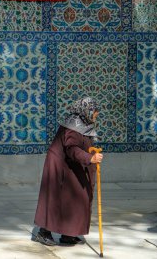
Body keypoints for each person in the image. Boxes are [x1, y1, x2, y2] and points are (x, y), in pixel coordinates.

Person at [33, 97, 103, 246]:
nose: (96, 114)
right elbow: (72, 148)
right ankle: (43, 232)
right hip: (59, 165)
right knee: (56, 198)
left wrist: (90, 153)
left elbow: (83, 143)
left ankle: (68, 233)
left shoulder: (84, 123)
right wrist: (89, 158)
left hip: (72, 164)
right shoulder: (73, 125)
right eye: (95, 111)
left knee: (77, 196)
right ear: (87, 110)